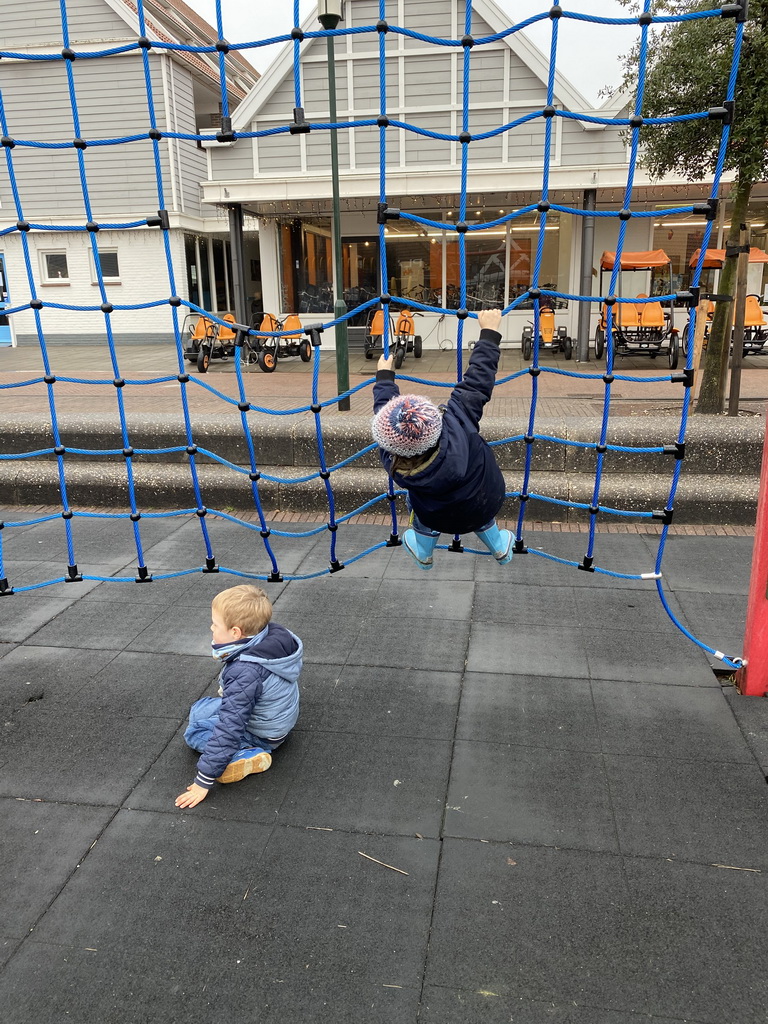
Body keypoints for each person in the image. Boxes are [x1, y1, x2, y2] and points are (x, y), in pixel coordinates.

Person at [371, 308, 513, 569]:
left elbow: (386, 419)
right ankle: (499, 546)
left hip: (437, 517)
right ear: (435, 420)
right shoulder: (457, 421)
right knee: (471, 499)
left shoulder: (392, 459)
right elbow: (478, 382)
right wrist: (489, 333)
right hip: (486, 500)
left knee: (413, 499)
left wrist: (384, 378)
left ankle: (424, 549)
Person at [175, 584, 303, 809]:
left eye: (215, 624)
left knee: (194, 733)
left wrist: (203, 780)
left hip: (265, 733)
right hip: (276, 717)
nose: (211, 627)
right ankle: (251, 745)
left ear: (235, 632)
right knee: (200, 707)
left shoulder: (246, 671)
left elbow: (230, 725)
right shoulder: (271, 638)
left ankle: (249, 753)